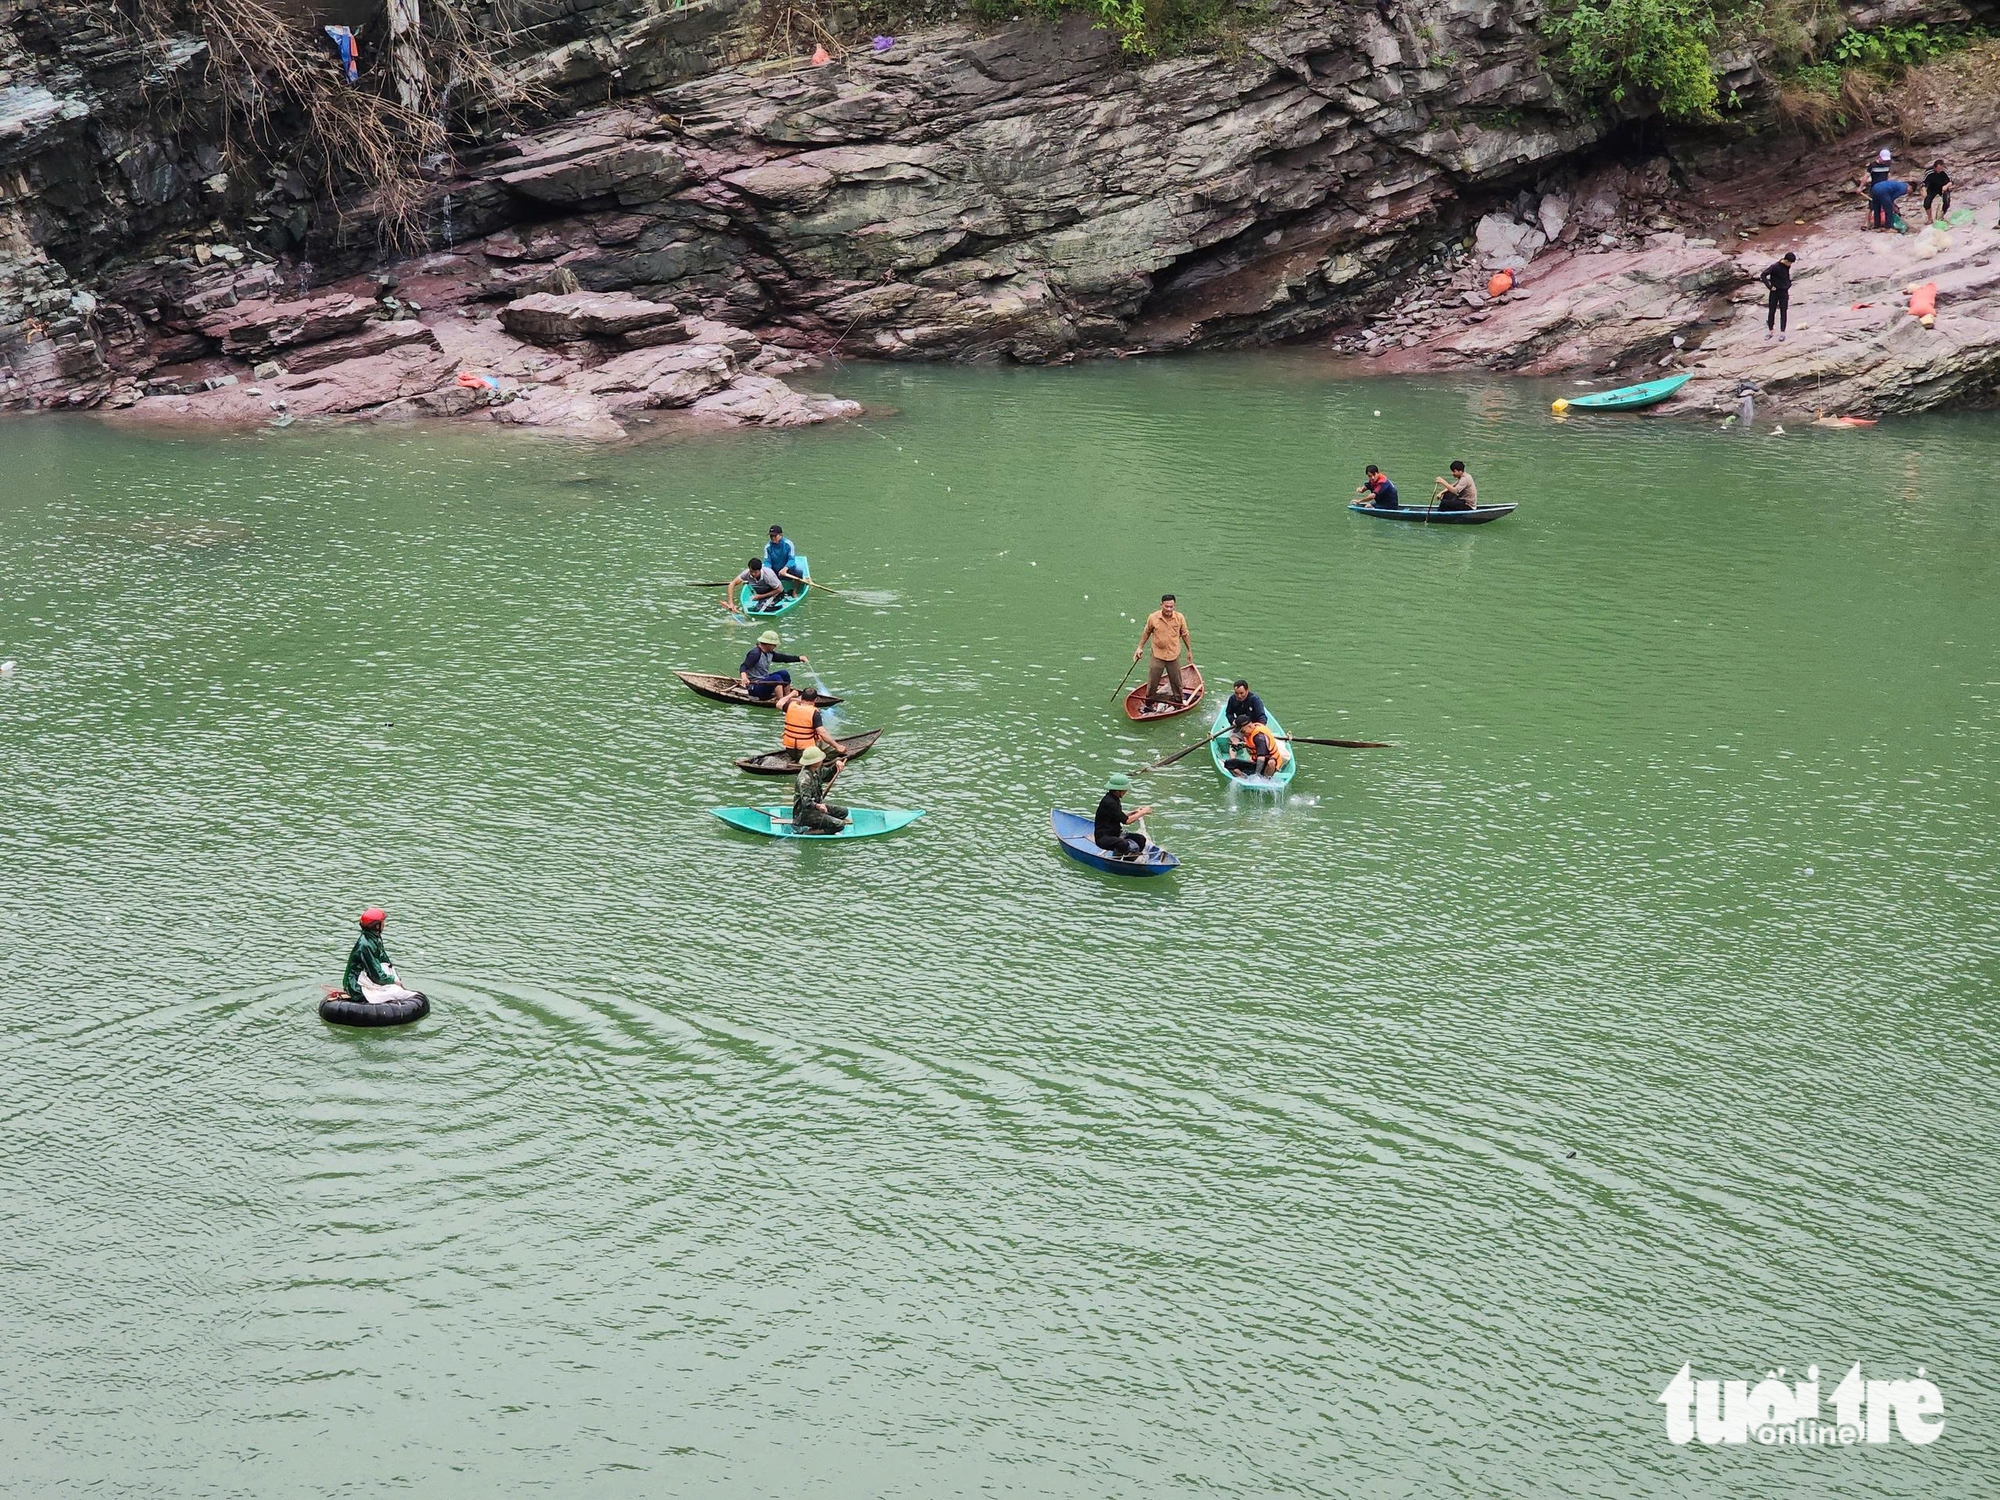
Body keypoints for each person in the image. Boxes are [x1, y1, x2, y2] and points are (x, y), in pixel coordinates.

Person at [341, 908, 420, 1005]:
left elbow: (385, 961)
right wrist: (393, 981)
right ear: (376, 926)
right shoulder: (365, 945)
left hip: (366, 977)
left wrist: (394, 977)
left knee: (396, 988)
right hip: (355, 985)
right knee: (396, 992)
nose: (384, 925)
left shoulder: (375, 939)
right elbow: (375, 975)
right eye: (383, 922)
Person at [1133, 594, 1195, 715]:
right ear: (1161, 605)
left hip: (1173, 655)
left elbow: (1185, 634)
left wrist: (1189, 651)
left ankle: (1177, 703)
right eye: (1166, 606)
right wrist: (1139, 648)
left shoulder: (1179, 618)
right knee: (1153, 681)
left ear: (1174, 606)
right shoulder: (1153, 617)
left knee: (1176, 681)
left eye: (1171, 607)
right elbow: (1146, 632)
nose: (1169, 609)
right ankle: (1149, 705)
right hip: (1158, 655)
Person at [792, 744, 850, 834]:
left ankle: (823, 822)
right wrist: (818, 806)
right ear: (814, 762)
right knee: (840, 825)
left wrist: (836, 764)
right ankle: (811, 833)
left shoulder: (816, 770)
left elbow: (827, 775)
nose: (822, 760)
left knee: (843, 812)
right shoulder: (805, 780)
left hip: (816, 809)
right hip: (804, 814)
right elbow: (806, 802)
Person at [1093, 772, 1152, 860]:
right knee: (1122, 843)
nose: (1125, 792)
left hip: (1116, 834)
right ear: (1117, 791)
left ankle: (1130, 859)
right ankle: (1119, 860)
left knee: (1140, 839)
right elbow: (1127, 821)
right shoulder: (1109, 802)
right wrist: (1143, 812)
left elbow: (1119, 816)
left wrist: (1134, 812)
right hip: (1103, 838)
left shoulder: (1114, 799)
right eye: (1124, 790)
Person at [738, 629, 807, 701]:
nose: (775, 646)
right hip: (755, 687)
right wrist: (744, 677)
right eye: (774, 645)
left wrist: (798, 658)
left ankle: (787, 696)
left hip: (764, 681)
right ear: (768, 644)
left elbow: (783, 658)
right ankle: (781, 701)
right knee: (776, 678)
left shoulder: (769, 653)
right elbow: (743, 666)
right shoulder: (755, 654)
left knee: (784, 673)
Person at [780, 684, 843, 756]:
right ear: (815, 700)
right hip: (807, 752)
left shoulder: (790, 706)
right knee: (828, 744)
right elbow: (822, 733)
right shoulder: (814, 713)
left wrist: (791, 695)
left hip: (790, 750)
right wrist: (837, 746)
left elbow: (779, 703)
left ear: (801, 697)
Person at [1221, 719, 1288, 779]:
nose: (1242, 734)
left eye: (1243, 731)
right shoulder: (1249, 732)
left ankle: (1265, 780)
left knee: (1271, 762)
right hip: (1255, 762)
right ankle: (1244, 779)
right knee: (1229, 763)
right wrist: (1242, 745)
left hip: (1267, 765)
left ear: (1249, 726)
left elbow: (1261, 758)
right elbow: (1253, 746)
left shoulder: (1259, 737)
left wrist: (1256, 775)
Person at [1759, 252, 1795, 339]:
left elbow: (1786, 276)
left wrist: (1788, 284)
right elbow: (1763, 275)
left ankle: (1782, 332)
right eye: (1790, 262)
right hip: (1774, 292)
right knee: (1772, 311)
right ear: (1786, 260)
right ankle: (1770, 331)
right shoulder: (1775, 267)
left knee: (1783, 311)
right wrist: (1769, 286)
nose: (1790, 265)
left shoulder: (1787, 266)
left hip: (1784, 292)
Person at [765, 526, 807, 595]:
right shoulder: (768, 547)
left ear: (780, 535)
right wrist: (767, 571)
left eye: (774, 536)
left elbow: (792, 560)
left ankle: (794, 591)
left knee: (799, 571)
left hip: (788, 570)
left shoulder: (788, 544)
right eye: (771, 536)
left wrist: (785, 568)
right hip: (775, 571)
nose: (772, 538)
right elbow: (767, 561)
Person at [1865, 147, 1894, 228]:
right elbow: (1866, 176)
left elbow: (1888, 176)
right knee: (1871, 206)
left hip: (1885, 188)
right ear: (1879, 157)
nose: (1884, 161)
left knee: (1887, 205)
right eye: (1883, 159)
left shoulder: (1887, 164)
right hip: (1874, 188)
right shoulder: (1872, 165)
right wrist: (1860, 187)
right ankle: (1867, 223)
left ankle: (1887, 223)